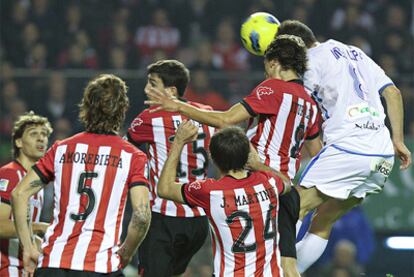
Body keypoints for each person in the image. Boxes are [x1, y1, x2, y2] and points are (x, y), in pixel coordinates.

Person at [145, 35, 321, 276]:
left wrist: (179, 106)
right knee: (284, 266)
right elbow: (316, 151)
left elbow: (226, 119)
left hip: (254, 184)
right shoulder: (310, 103)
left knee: (238, 260)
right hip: (281, 186)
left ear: (273, 63)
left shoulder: (273, 87)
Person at [276, 20, 412, 273]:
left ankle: (269, 270)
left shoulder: (310, 61)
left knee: (292, 205)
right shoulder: (356, 52)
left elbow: (298, 102)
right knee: (323, 220)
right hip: (382, 155)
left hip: (350, 146)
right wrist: (398, 140)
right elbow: (392, 92)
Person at [11, 74, 151, 276]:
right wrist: (126, 253)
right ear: (122, 109)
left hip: (54, 263)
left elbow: (19, 194)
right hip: (101, 266)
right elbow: (142, 215)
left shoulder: (61, 148)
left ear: (86, 107)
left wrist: (29, 248)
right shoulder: (133, 156)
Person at [157, 121, 291, 276]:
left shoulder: (210, 191)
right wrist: (258, 165)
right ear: (247, 155)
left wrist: (179, 142)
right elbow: (287, 183)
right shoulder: (269, 182)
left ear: (213, 158)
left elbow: (164, 189)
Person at [127, 59, 214, 276]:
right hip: (199, 221)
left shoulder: (150, 118)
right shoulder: (206, 113)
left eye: (153, 84)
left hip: (164, 219)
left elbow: (123, 151)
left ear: (171, 91)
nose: (146, 89)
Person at [0, 111, 52, 276]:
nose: (41, 138)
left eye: (44, 134)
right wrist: (39, 227)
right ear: (19, 142)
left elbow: (25, 234)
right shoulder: (9, 174)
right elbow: (0, 225)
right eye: (34, 134)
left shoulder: (36, 184)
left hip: (24, 269)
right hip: (6, 268)